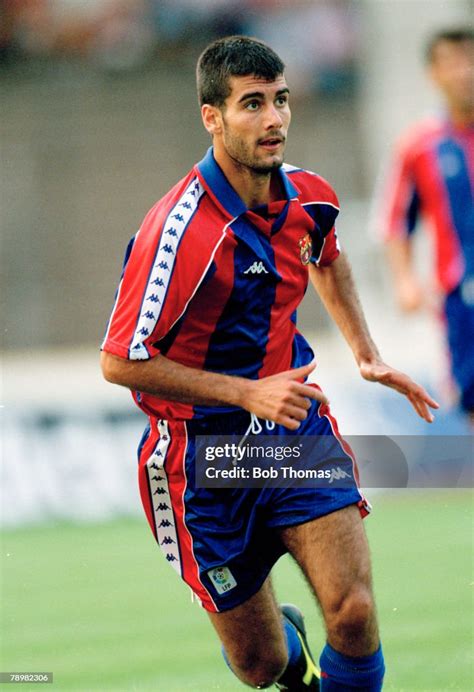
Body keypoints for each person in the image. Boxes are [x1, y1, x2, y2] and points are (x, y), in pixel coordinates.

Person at [100, 36, 438, 691]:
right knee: (263, 666)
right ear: (212, 117)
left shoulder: (308, 196)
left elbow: (328, 255)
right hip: (198, 461)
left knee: (355, 609)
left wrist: (367, 356)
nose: (275, 118)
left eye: (280, 100)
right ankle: (281, 652)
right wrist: (244, 392)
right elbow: (119, 360)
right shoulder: (179, 232)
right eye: (252, 104)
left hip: (289, 435)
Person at [374, 28, 474, 421]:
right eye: (452, 63)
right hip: (461, 296)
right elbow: (395, 220)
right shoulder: (419, 145)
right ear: (433, 73)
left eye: (469, 60)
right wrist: (405, 280)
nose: (464, 72)